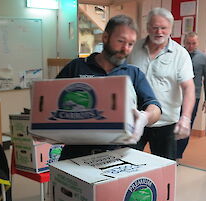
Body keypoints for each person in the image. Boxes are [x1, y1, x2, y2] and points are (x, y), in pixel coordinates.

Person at [56, 14, 162, 160]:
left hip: (118, 155)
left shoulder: (133, 73)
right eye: (120, 41)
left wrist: (145, 117)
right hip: (75, 155)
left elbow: (155, 107)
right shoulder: (77, 67)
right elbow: (52, 100)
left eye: (131, 44)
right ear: (105, 37)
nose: (125, 49)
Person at [127, 8, 195, 160]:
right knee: (127, 164)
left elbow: (188, 87)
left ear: (171, 28)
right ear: (147, 27)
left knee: (164, 170)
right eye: (155, 27)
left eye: (163, 28)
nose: (159, 32)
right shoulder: (133, 48)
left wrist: (185, 118)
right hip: (135, 119)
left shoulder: (180, 54)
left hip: (166, 123)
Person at [176, 32, 206, 160]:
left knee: (186, 126)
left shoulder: (204, 58)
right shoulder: (178, 53)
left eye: (194, 43)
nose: (191, 46)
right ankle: (168, 153)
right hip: (176, 96)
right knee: (172, 125)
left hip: (193, 97)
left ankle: (177, 154)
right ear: (184, 42)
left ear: (198, 43)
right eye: (188, 43)